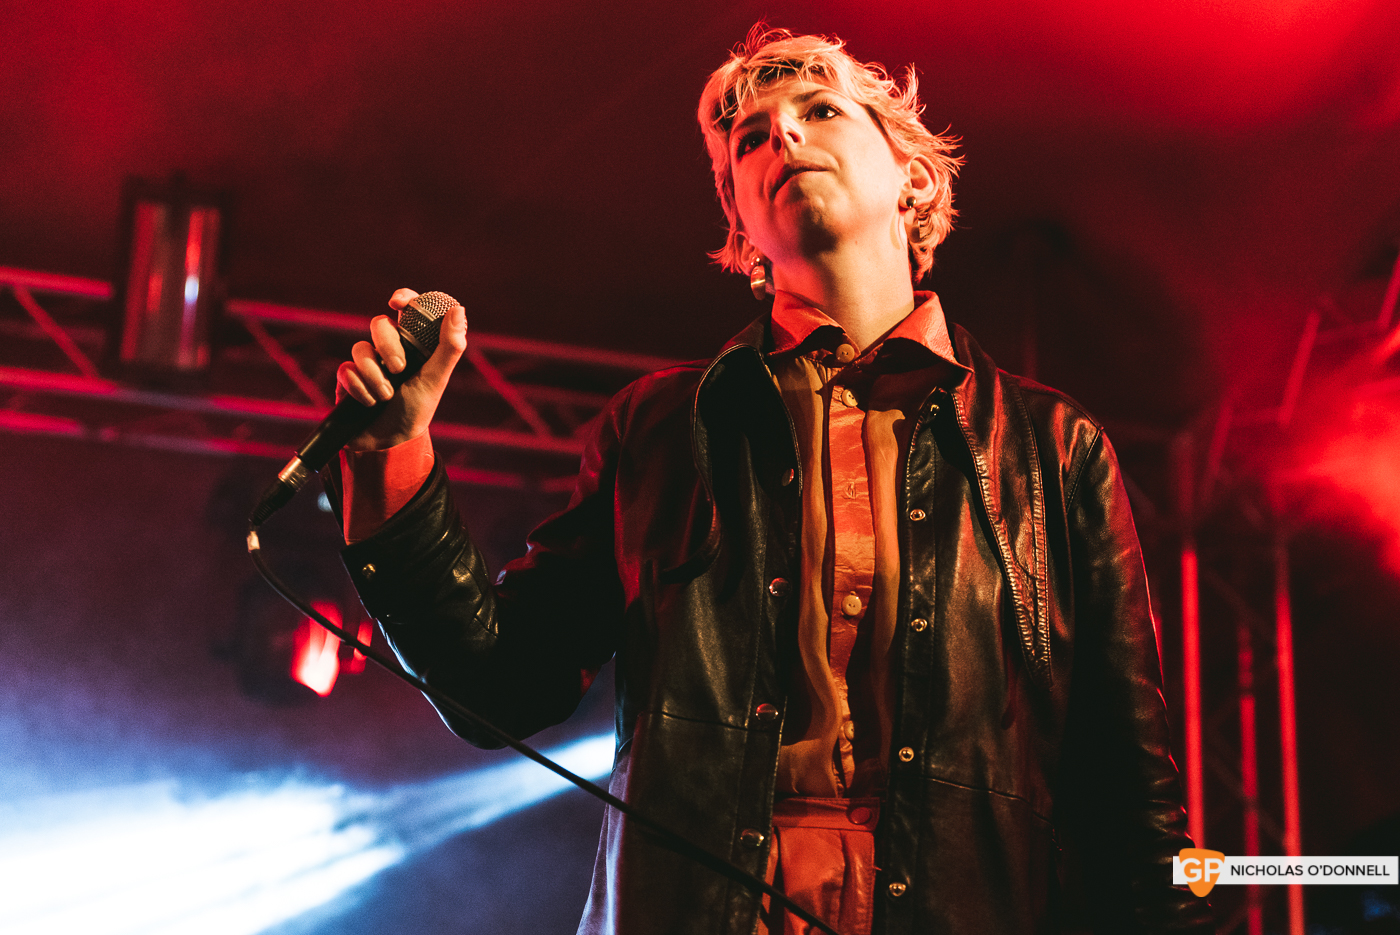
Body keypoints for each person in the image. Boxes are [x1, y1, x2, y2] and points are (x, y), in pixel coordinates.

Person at [328, 25, 1213, 935]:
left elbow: (1132, 816)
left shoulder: (1053, 450)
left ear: (911, 176)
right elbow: (499, 688)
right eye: (749, 139)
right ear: (741, 229)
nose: (782, 135)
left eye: (820, 111)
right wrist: (390, 454)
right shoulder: (662, 431)